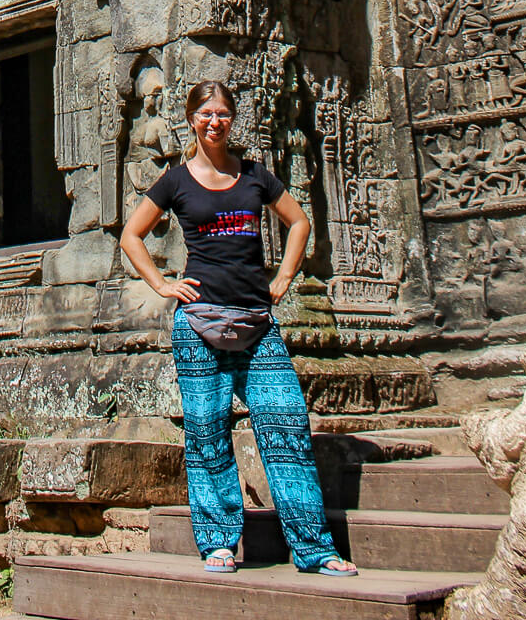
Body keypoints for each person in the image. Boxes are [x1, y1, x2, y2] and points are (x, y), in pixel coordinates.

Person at [120, 79, 356, 577]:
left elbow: (299, 222)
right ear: (192, 120)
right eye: (206, 113)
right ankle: (219, 543)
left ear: (232, 120)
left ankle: (314, 547)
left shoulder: (255, 177)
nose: (214, 122)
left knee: (286, 427)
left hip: (257, 321)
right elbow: (132, 235)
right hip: (200, 322)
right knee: (207, 436)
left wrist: (285, 277)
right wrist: (163, 284)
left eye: (222, 113)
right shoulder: (176, 181)